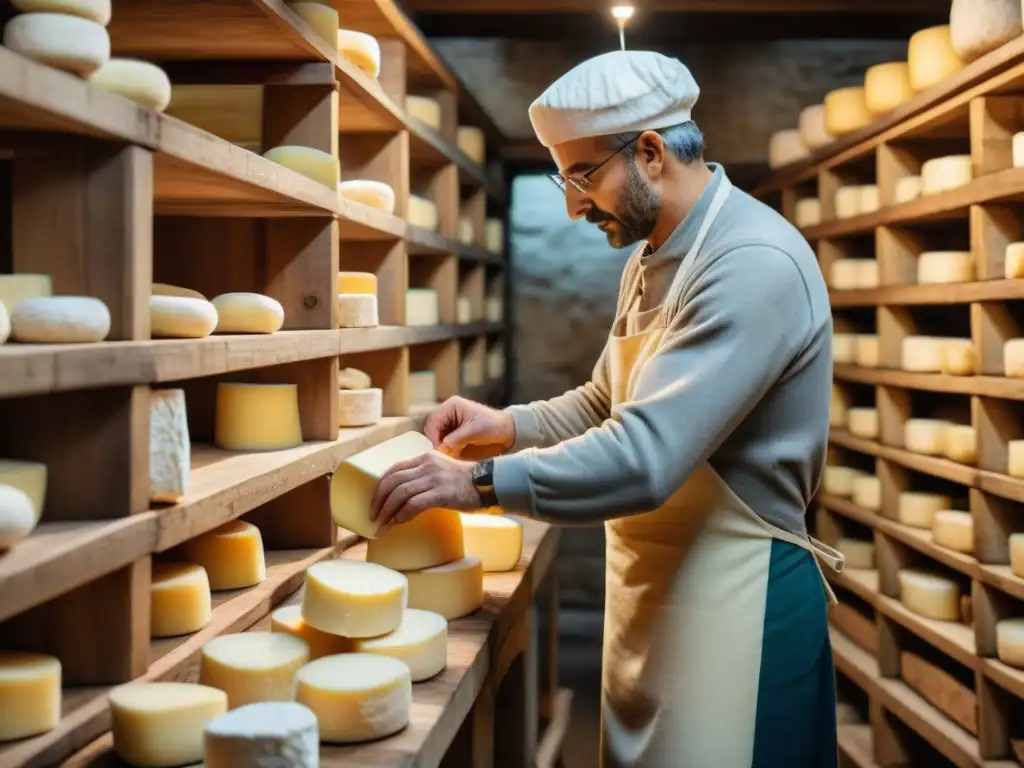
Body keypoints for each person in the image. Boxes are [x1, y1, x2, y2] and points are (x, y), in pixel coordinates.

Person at [370, 49, 841, 768]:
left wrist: (477, 486)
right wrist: (509, 427)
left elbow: (647, 458)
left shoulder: (751, 263)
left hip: (736, 611)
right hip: (657, 600)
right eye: (565, 179)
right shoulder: (654, 258)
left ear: (650, 152)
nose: (571, 205)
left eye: (582, 176)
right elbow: (605, 400)